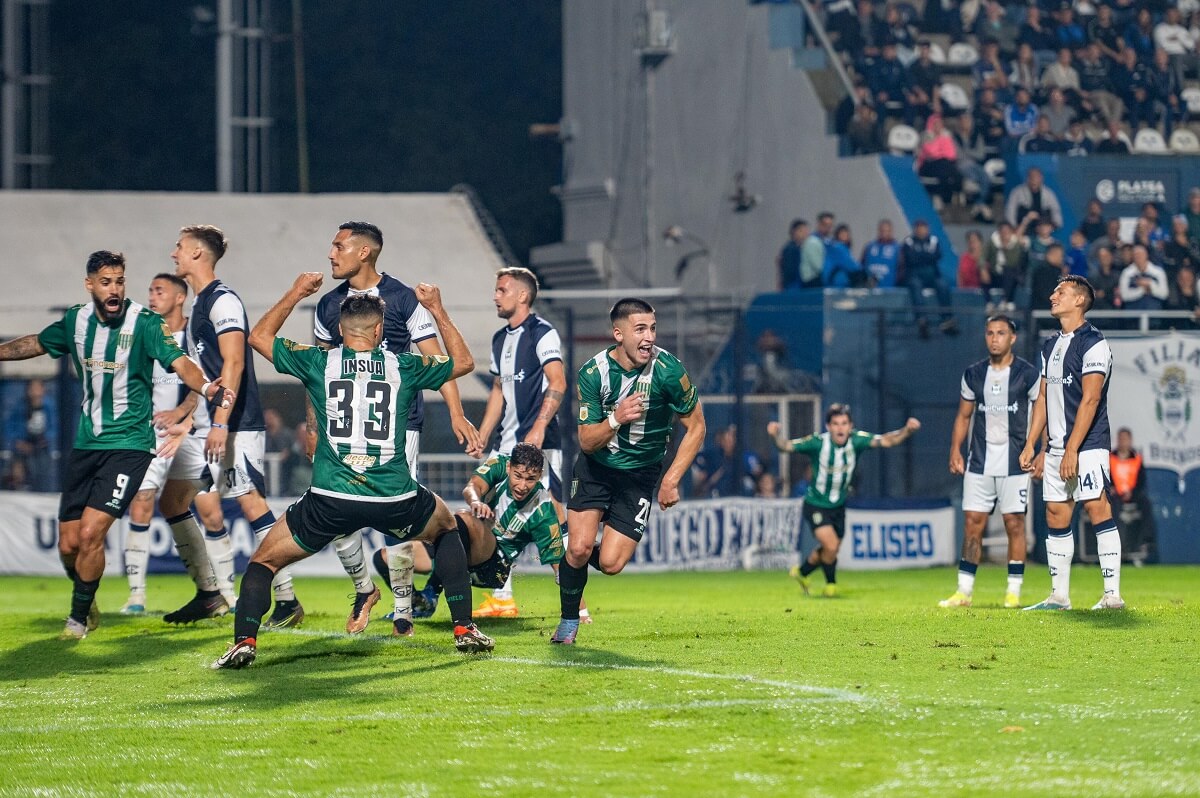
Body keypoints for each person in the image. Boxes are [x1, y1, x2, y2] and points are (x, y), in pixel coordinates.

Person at [212, 275, 493, 669]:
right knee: (446, 529)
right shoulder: (403, 365)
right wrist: (438, 309)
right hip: (393, 497)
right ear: (380, 330)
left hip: (331, 499)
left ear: (340, 330)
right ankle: (464, 628)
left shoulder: (318, 361)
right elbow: (462, 362)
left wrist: (295, 293)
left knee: (263, 562)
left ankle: (244, 641)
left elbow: (258, 336)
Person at [0, 250, 228, 640]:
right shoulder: (76, 321)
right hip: (87, 446)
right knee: (69, 545)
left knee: (91, 534)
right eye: (106, 282)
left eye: (120, 281)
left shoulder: (144, 323)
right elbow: (37, 342)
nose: (115, 289)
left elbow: (179, 361)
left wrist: (206, 386)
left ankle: (76, 620)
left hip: (130, 445)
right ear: (90, 284)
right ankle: (88, 599)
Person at [309, 221, 482, 636]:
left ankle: (403, 608)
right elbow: (316, 370)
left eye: (338, 246)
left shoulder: (403, 299)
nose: (331, 253)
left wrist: (456, 413)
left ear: (364, 252)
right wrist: (314, 424)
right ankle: (365, 589)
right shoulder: (327, 305)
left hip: (399, 428)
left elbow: (437, 359)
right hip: (342, 433)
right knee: (335, 513)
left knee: (396, 517)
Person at [552, 298, 706, 645]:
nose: (649, 336)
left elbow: (696, 427)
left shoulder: (669, 371)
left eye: (652, 328)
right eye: (640, 329)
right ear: (618, 334)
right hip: (596, 468)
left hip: (640, 475)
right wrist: (617, 418)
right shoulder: (594, 373)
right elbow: (587, 442)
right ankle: (567, 622)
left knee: (610, 563)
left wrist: (670, 479)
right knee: (578, 549)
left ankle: (568, 560)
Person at [156, 225, 278, 626]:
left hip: (237, 423)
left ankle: (289, 599)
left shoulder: (223, 301)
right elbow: (205, 378)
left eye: (179, 247)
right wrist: (188, 417)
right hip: (211, 425)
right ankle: (210, 593)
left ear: (196, 254)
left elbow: (234, 363)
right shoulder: (198, 310)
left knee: (250, 501)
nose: (173, 253)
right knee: (174, 500)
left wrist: (221, 422)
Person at [459, 265, 567, 619]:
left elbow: (558, 382)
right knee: (490, 513)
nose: (495, 296)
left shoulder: (543, 333)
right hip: (506, 444)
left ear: (522, 295)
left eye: (502, 290)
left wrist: (538, 427)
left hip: (540, 446)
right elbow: (497, 391)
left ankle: (573, 598)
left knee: (551, 512)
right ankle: (502, 597)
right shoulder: (499, 339)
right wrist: (485, 433)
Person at [121, 273, 233, 615]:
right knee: (141, 503)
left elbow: (206, 384)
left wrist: (184, 421)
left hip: (193, 434)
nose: (152, 297)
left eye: (160, 290)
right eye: (150, 290)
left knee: (210, 512)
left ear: (180, 297)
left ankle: (226, 593)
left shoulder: (194, 336)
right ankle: (137, 597)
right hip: (152, 435)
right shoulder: (145, 333)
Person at [1019, 275, 1124, 611]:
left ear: (1079, 300)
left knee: (1096, 507)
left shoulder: (1093, 342)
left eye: (1060, 292)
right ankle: (1059, 596)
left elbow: (1091, 400)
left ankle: (1112, 596)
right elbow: (1044, 399)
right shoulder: (1050, 346)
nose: (1053, 295)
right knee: (1055, 513)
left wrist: (1072, 450)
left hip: (1087, 445)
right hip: (1055, 449)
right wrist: (1032, 444)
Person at [940, 315, 1040, 609]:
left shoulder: (1028, 374)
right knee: (973, 523)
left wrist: (1040, 449)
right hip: (980, 461)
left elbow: (1042, 413)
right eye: (989, 333)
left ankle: (1013, 592)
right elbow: (963, 415)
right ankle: (964, 591)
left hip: (1015, 462)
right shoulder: (973, 374)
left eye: (1000, 333)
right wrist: (955, 450)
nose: (994, 338)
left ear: (1012, 338)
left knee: (1014, 524)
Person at [769, 405, 920, 597]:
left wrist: (907, 430)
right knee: (831, 546)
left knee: (830, 549)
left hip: (838, 506)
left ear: (851, 426)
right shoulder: (817, 443)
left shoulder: (857, 440)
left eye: (844, 423)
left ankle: (802, 572)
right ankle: (831, 585)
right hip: (816, 504)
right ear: (828, 426)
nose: (840, 428)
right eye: (835, 424)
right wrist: (775, 436)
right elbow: (786, 446)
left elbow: (887, 441)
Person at [900, 219, 958, 338]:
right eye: (919, 228)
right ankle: (921, 319)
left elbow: (937, 256)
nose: (922, 231)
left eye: (924, 228)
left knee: (943, 285)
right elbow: (910, 258)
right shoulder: (908, 242)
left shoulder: (933, 240)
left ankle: (947, 318)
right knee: (915, 286)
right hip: (915, 274)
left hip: (932, 275)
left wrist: (921, 256)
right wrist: (926, 257)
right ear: (915, 229)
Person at [3, 378, 58, 492]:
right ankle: (18, 485)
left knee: (41, 468)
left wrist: (46, 439)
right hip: (23, 444)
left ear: (43, 390)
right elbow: (10, 426)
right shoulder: (21, 406)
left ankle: (41, 488)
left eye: (38, 388)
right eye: (32, 389)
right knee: (18, 461)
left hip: (42, 445)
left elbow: (54, 426)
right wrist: (18, 441)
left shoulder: (48, 406)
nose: (35, 392)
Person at [1110, 428, 1156, 562]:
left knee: (1146, 503)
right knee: (1112, 507)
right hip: (1116, 496)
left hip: (1133, 495)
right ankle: (1117, 544)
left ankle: (1146, 541)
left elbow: (1141, 482)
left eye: (1126, 439)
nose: (1123, 441)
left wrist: (1132, 492)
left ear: (1130, 441)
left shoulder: (1137, 459)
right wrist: (1112, 488)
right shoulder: (1110, 457)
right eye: (1121, 438)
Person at [1119, 244, 1170, 312]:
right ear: (1133, 257)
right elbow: (1124, 296)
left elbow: (1164, 294)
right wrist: (1141, 291)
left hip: (1154, 315)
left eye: (1141, 254)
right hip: (1133, 316)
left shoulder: (1158, 272)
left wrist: (1150, 284)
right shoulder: (1127, 273)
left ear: (1146, 255)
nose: (1138, 257)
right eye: (1136, 255)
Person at [861, 219, 900, 287]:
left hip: (889, 290)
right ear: (878, 231)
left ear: (891, 231)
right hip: (869, 289)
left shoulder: (898, 248)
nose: (884, 233)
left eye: (887, 231)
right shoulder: (869, 247)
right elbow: (862, 264)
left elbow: (901, 269)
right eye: (882, 230)